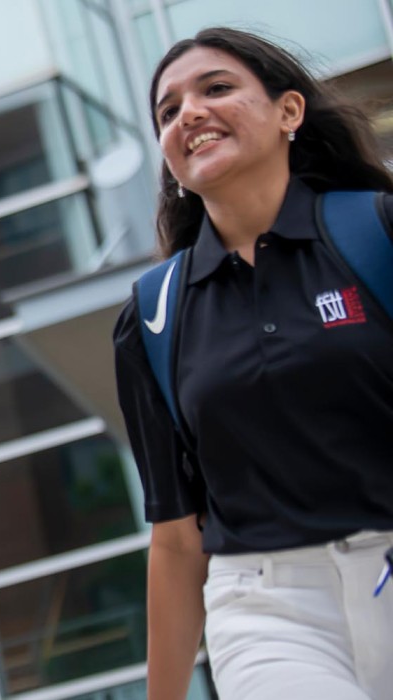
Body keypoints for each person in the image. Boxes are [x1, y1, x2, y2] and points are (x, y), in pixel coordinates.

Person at [113, 27, 393, 700]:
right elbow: (178, 541)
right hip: (268, 610)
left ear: (288, 112)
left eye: (216, 89)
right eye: (168, 110)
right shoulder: (153, 314)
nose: (190, 114)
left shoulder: (379, 231)